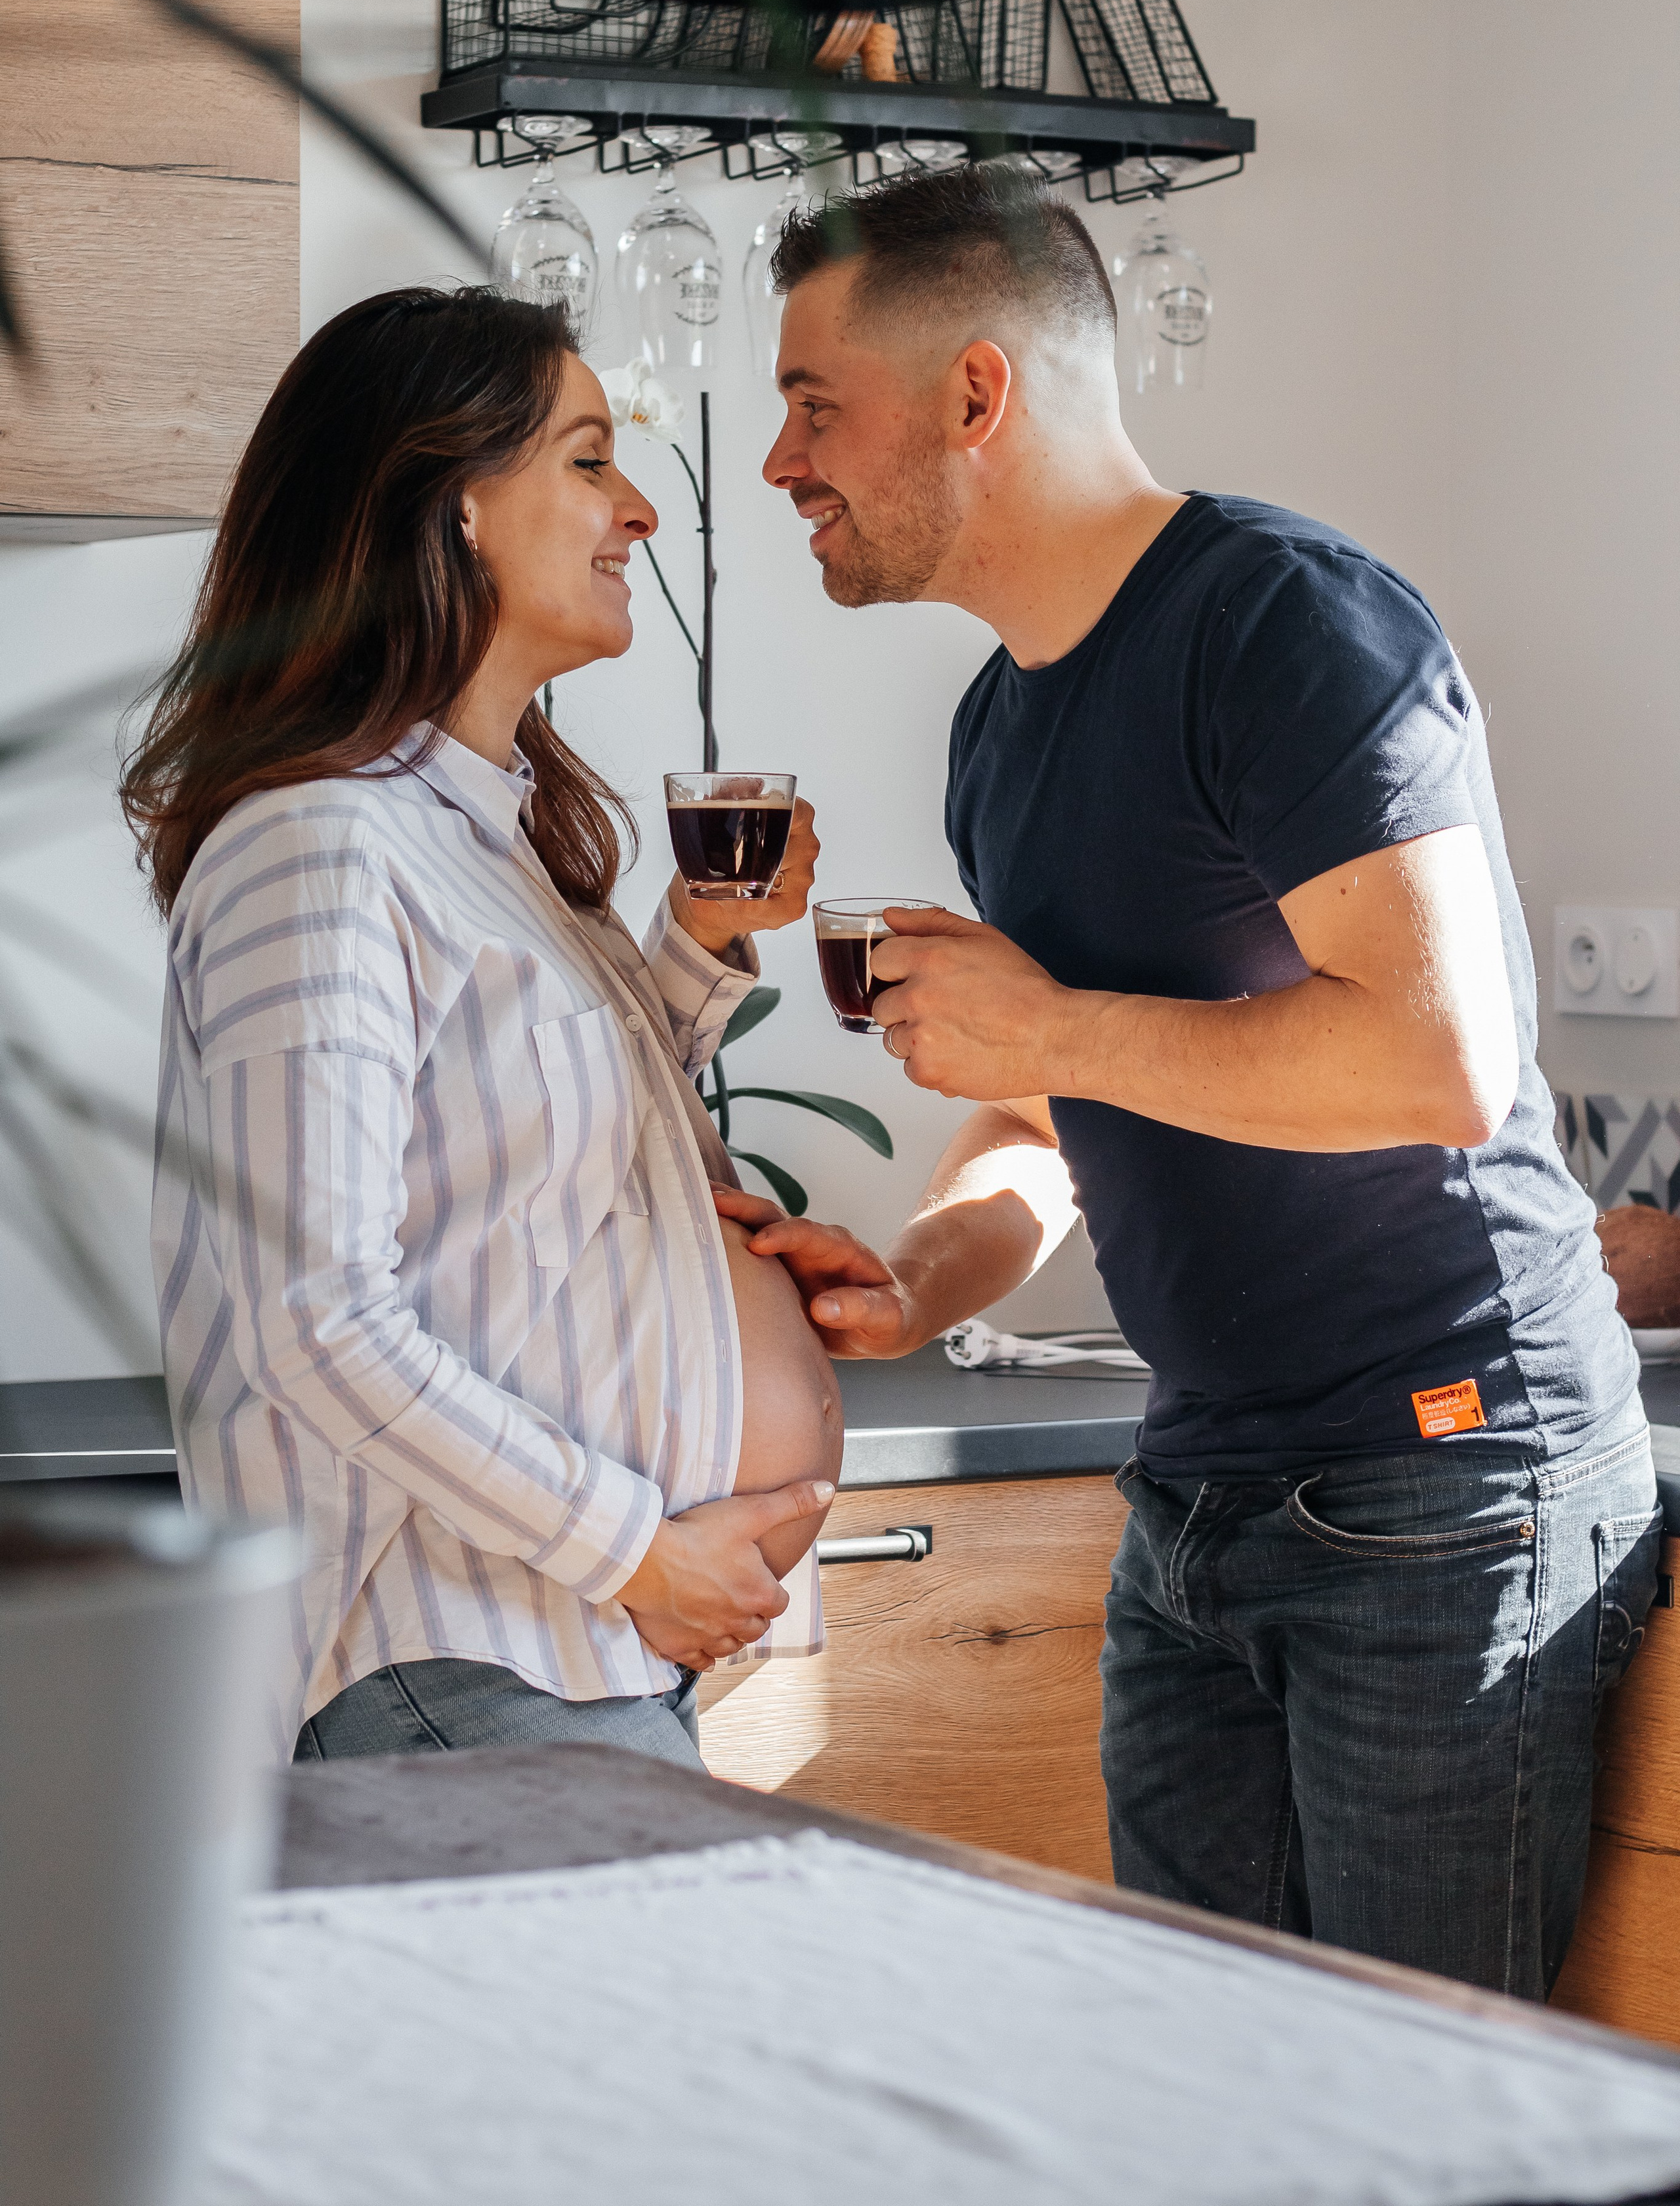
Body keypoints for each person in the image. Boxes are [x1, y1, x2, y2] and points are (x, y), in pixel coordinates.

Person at [719, 160, 1660, 1995]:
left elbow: (1440, 1058)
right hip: (1206, 1501)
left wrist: (1041, 1030)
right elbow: (1041, 1115)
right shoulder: (1005, 719)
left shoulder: (1287, 626)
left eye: (812, 405)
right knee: (1203, 2110)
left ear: (975, 394)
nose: (780, 465)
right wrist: (923, 1277)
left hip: (1448, 1483)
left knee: (1425, 2129)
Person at [123, 285, 841, 1771]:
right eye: (588, 459)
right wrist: (636, 1548)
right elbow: (316, 1318)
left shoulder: (482, 839)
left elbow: (529, 1164)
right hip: (455, 1660)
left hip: (551, 1658)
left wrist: (695, 956)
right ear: (450, 504)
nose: (638, 508)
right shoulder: (318, 850)